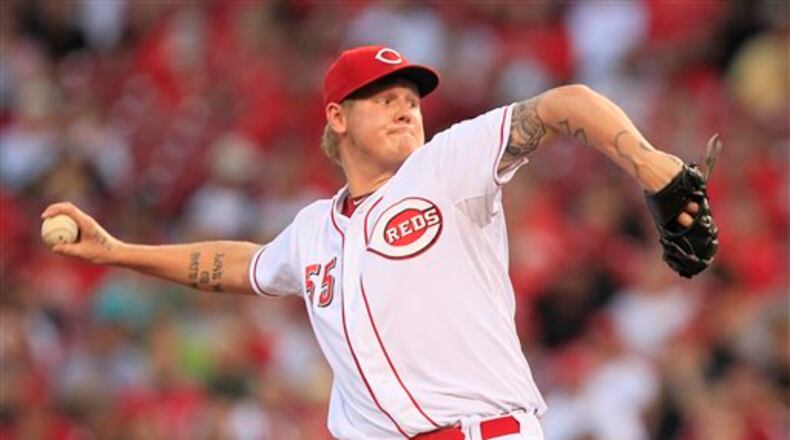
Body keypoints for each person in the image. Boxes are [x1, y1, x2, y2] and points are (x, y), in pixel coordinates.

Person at [42, 45, 718, 439]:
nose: (405, 105)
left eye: (411, 97)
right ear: (337, 118)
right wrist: (118, 252)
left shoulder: (446, 167)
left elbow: (566, 105)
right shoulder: (312, 228)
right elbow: (238, 266)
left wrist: (652, 164)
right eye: (382, 96)